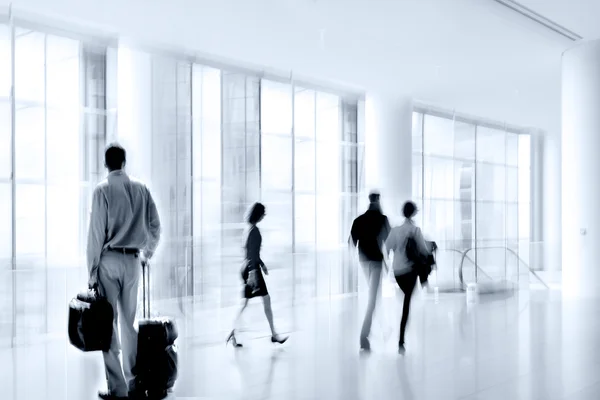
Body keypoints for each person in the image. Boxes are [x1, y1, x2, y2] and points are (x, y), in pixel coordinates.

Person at [87, 143, 161, 400]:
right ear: (124, 163)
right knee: (129, 324)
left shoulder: (102, 191)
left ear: (106, 164)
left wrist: (92, 271)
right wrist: (147, 253)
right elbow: (155, 226)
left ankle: (117, 388)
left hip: (108, 261)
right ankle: (134, 380)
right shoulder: (141, 189)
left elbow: (96, 234)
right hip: (132, 262)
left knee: (108, 325)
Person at [226, 202, 288, 347]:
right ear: (259, 214)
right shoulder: (255, 231)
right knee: (266, 300)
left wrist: (262, 264)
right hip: (252, 271)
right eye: (263, 213)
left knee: (247, 302)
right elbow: (253, 255)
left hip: (247, 268)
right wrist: (254, 272)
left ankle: (233, 332)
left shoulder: (249, 230)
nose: (264, 216)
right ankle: (274, 334)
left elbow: (250, 253)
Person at [384, 201, 432, 354]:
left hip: (398, 272)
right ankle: (401, 340)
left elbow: (387, 247)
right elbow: (424, 251)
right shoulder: (415, 230)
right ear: (414, 213)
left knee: (406, 298)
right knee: (407, 303)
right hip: (410, 272)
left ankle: (400, 337)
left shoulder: (395, 230)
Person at [349, 191, 391, 351]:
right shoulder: (382, 219)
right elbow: (388, 241)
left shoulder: (359, 220)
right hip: (375, 262)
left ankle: (384, 329)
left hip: (363, 261)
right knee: (373, 299)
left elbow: (352, 241)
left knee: (375, 297)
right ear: (378, 200)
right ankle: (363, 336)